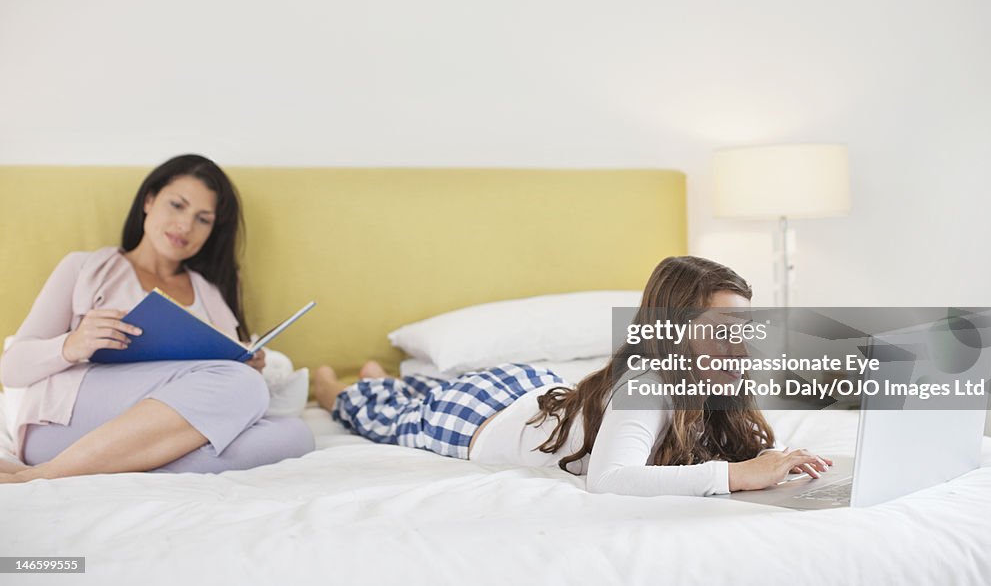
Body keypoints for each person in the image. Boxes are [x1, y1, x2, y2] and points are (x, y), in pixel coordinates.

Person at [312, 256, 831, 496]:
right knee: (386, 411)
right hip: (482, 420)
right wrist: (736, 475)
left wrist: (769, 459)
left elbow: (729, 439)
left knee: (415, 388)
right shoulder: (647, 385)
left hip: (536, 393)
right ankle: (336, 385)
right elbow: (611, 479)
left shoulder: (720, 377)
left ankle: (388, 377)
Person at [0, 154, 314, 483]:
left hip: (160, 433)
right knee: (244, 385)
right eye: (177, 205)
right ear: (149, 200)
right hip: (65, 423)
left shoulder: (211, 291)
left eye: (203, 219)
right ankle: (41, 475)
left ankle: (56, 470)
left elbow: (219, 386)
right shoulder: (85, 268)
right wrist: (71, 345)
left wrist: (246, 362)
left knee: (295, 434)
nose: (185, 226)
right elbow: (11, 368)